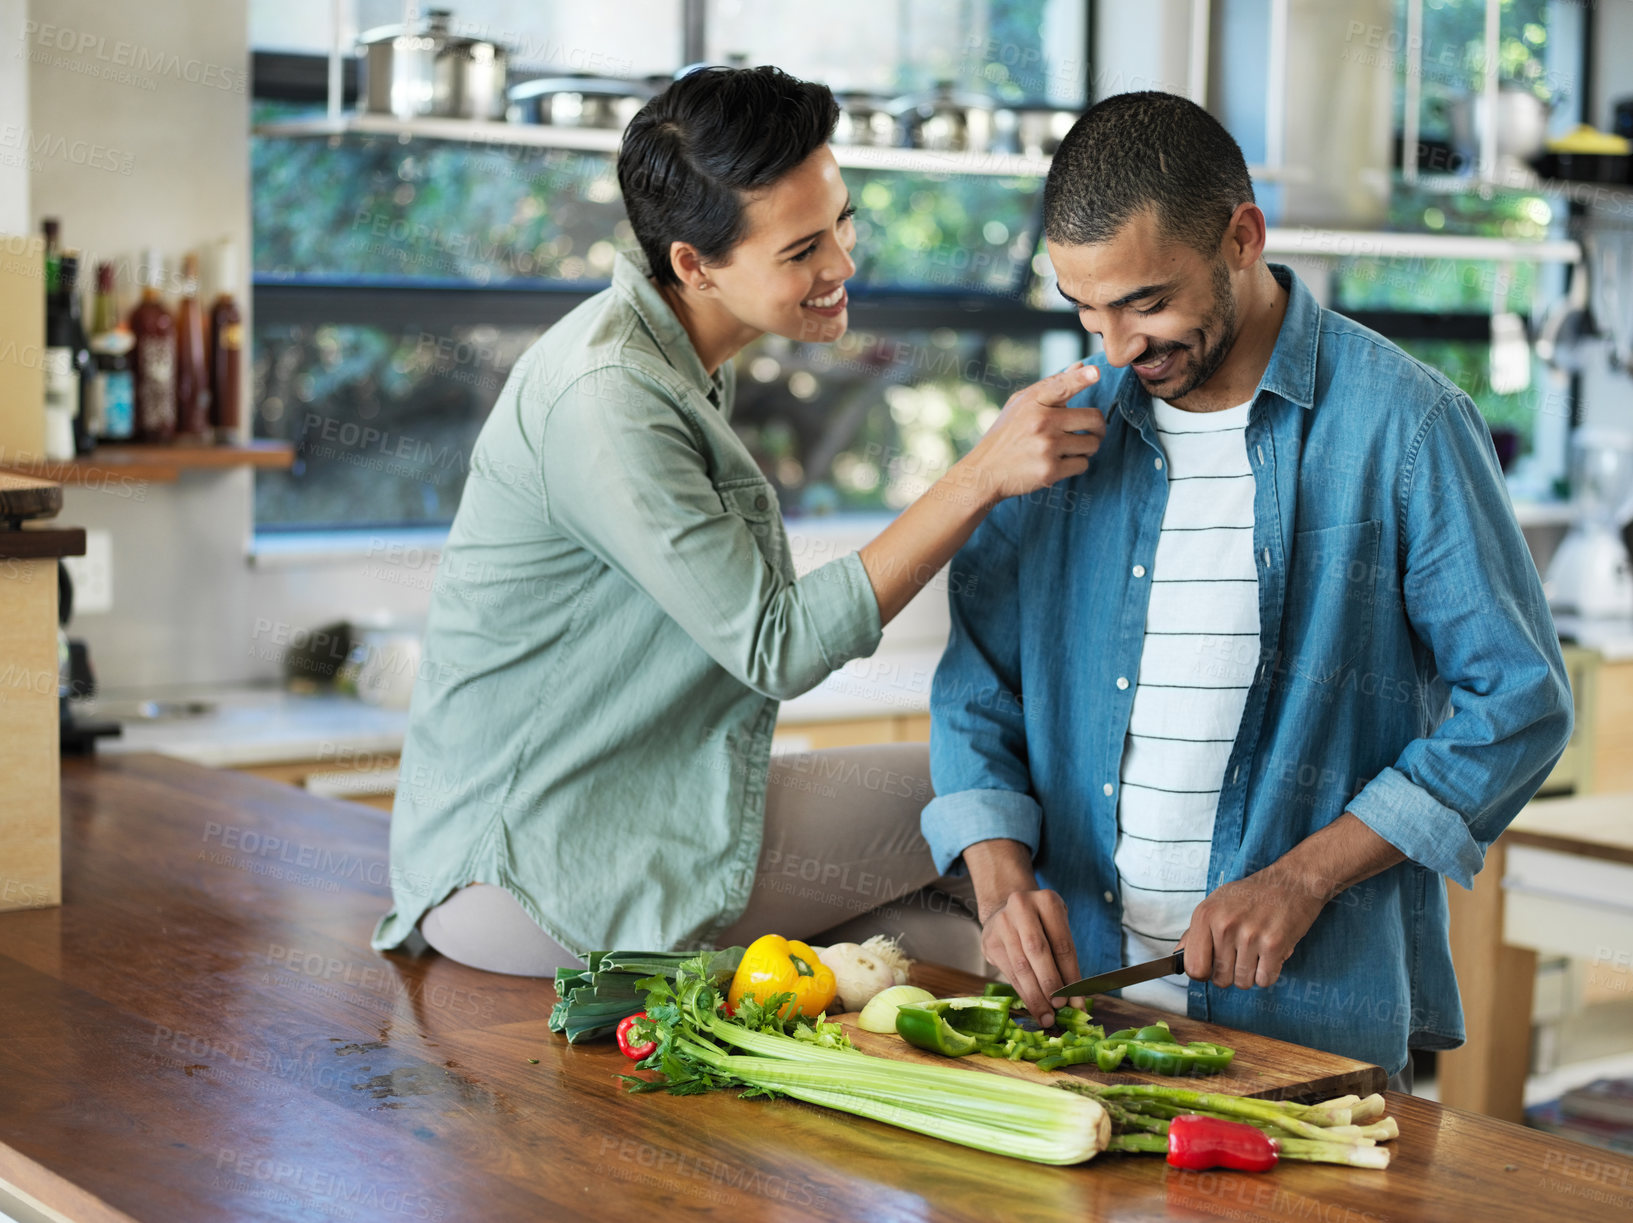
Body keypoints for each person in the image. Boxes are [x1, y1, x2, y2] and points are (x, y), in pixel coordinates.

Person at [370, 66, 1104, 975]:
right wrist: (981, 475)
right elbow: (775, 644)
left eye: (840, 222)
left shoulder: (665, 359)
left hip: (601, 824)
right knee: (984, 794)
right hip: (530, 870)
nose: (840, 263)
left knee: (940, 943)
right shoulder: (609, 400)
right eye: (800, 250)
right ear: (693, 263)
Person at [924, 90, 1573, 1090]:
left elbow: (1519, 701)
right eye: (1083, 307)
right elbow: (978, 687)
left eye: (1145, 302)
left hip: (1306, 1027)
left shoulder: (1403, 426)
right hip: (1082, 1016)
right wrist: (1002, 882)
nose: (1114, 347)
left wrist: (1302, 878)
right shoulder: (1056, 435)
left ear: (1241, 236)